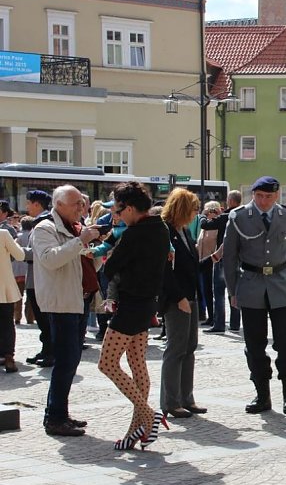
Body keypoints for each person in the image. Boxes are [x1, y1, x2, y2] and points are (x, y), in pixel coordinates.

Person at [95, 181, 171, 448]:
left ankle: (148, 415)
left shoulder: (134, 233)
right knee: (138, 364)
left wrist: (114, 251)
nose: (116, 215)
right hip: (147, 304)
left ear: (128, 208)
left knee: (107, 364)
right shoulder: (161, 228)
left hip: (130, 306)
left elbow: (108, 268)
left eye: (117, 210)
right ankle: (136, 428)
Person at [222, 176, 286, 415]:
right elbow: (229, 258)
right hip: (251, 284)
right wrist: (233, 290)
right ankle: (262, 394)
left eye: (268, 196)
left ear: (276, 196)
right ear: (253, 195)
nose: (263, 201)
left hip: (280, 284)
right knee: (254, 345)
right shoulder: (238, 217)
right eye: (259, 196)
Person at [33, 185, 101, 436]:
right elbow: (51, 260)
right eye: (76, 204)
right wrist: (80, 241)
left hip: (80, 300)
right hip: (62, 303)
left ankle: (60, 412)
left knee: (72, 360)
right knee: (64, 361)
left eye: (82, 204)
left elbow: (84, 261)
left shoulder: (75, 228)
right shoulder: (44, 228)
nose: (81, 208)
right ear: (59, 204)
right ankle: (54, 418)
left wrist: (95, 250)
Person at [158, 188, 207, 419]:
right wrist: (179, 298)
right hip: (176, 298)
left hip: (190, 295)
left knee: (189, 349)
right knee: (176, 349)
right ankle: (170, 401)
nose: (196, 214)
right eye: (194, 209)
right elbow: (165, 271)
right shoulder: (164, 231)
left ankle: (187, 398)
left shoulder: (184, 231)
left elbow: (190, 264)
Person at [200, 190, 242, 333]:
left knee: (218, 291)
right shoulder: (243, 215)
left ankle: (219, 324)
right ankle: (235, 323)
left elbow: (205, 225)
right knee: (234, 291)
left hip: (222, 258)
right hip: (239, 258)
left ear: (230, 201)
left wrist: (205, 215)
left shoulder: (226, 216)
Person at [22, 190, 54, 367]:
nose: (26, 207)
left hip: (39, 278)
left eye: (28, 203)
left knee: (44, 318)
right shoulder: (41, 221)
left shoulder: (43, 222)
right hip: (35, 277)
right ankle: (46, 349)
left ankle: (50, 352)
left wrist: (17, 252)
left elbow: (38, 253)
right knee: (42, 318)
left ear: (36, 204)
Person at [0, 226, 25, 372]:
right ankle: (9, 356)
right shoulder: (3, 234)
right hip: (4, 288)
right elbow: (20, 255)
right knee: (7, 323)